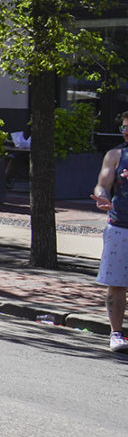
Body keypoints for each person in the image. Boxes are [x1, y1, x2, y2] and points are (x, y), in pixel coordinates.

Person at [90, 111, 128, 353]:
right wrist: (102, 198)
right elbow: (102, 185)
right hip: (120, 226)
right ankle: (116, 334)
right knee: (117, 284)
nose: (125, 131)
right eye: (124, 127)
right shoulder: (115, 155)